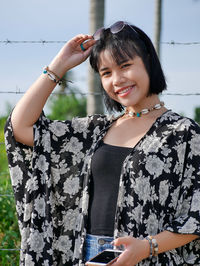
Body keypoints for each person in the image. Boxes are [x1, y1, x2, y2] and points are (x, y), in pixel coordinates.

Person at [4, 21, 200, 266]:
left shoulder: (184, 134)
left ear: (148, 60)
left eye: (125, 66)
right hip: (88, 256)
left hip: (151, 258)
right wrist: (60, 65)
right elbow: (20, 127)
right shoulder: (95, 130)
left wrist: (145, 248)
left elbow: (195, 215)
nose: (117, 80)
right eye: (106, 73)